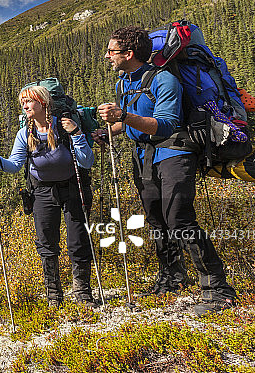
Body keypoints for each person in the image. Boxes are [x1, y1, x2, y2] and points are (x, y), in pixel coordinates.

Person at [96, 25, 237, 315]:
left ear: (129, 53)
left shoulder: (164, 80)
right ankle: (172, 276)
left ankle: (217, 290)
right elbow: (133, 118)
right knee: (157, 220)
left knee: (179, 219)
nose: (107, 56)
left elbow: (165, 123)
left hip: (174, 151)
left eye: (111, 51)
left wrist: (123, 116)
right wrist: (112, 128)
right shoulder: (124, 82)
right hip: (144, 156)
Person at [0, 84, 96, 307]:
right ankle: (54, 295)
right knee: (46, 244)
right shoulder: (25, 134)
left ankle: (82, 292)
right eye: (22, 102)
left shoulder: (65, 127)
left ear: (42, 102)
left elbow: (86, 161)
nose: (24, 106)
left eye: (28, 101)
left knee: (78, 240)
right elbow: (14, 165)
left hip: (72, 187)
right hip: (42, 191)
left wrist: (77, 134)